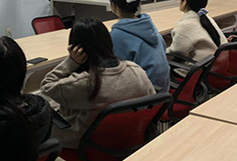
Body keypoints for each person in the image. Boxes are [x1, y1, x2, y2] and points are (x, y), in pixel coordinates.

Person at [40, 17, 155, 149]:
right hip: (129, 136)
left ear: (77, 48)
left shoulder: (84, 83)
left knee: (42, 111)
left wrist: (72, 61)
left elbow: (46, 85)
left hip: (87, 144)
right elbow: (151, 101)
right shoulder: (136, 70)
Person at [109, 0, 170, 92]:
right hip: (162, 89)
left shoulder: (116, 35)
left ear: (114, 6)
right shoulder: (149, 25)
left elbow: (115, 70)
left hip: (144, 93)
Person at [167, 0, 226, 76]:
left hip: (197, 70)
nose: (178, 1)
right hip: (215, 64)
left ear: (184, 2)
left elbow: (176, 53)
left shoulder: (186, 25)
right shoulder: (207, 18)